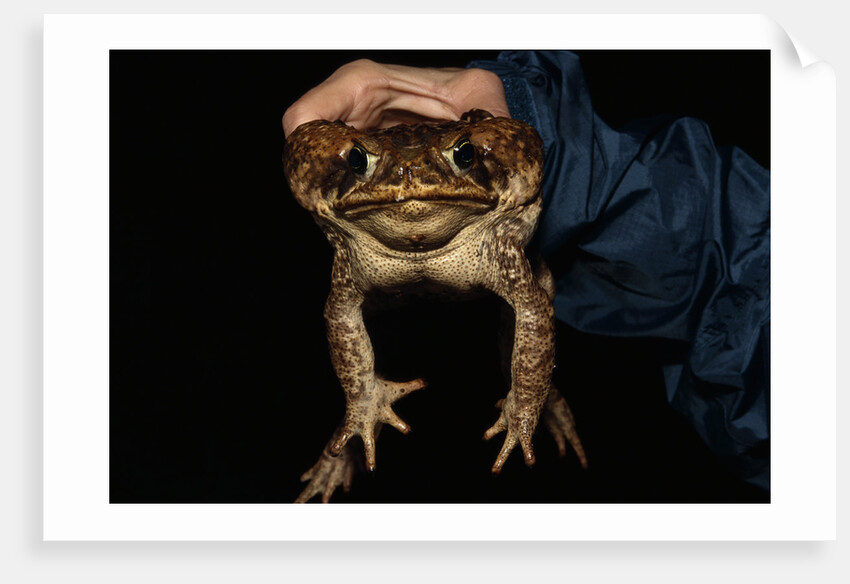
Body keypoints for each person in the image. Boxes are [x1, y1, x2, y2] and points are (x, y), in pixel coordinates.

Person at [283, 51, 770, 490]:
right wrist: (361, 394)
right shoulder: (349, 239)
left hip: (486, 236)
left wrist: (529, 396)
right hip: (376, 252)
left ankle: (543, 392)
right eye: (361, 161)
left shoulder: (499, 237)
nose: (411, 178)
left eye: (462, 156)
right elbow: (341, 312)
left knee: (534, 287)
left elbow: (533, 311)